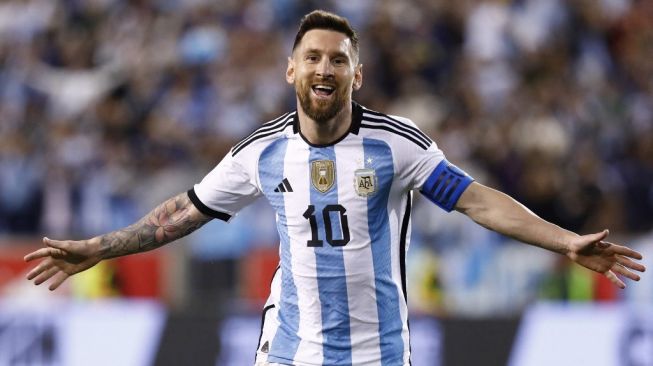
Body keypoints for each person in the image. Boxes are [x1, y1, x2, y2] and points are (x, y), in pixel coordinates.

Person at [24, 10, 645, 366]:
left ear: (357, 72)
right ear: (291, 69)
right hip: (289, 349)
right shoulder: (260, 151)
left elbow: (477, 199)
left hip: (378, 352)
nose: (325, 67)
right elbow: (183, 211)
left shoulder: (398, 144)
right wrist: (99, 247)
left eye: (338, 58)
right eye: (314, 57)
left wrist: (564, 241)